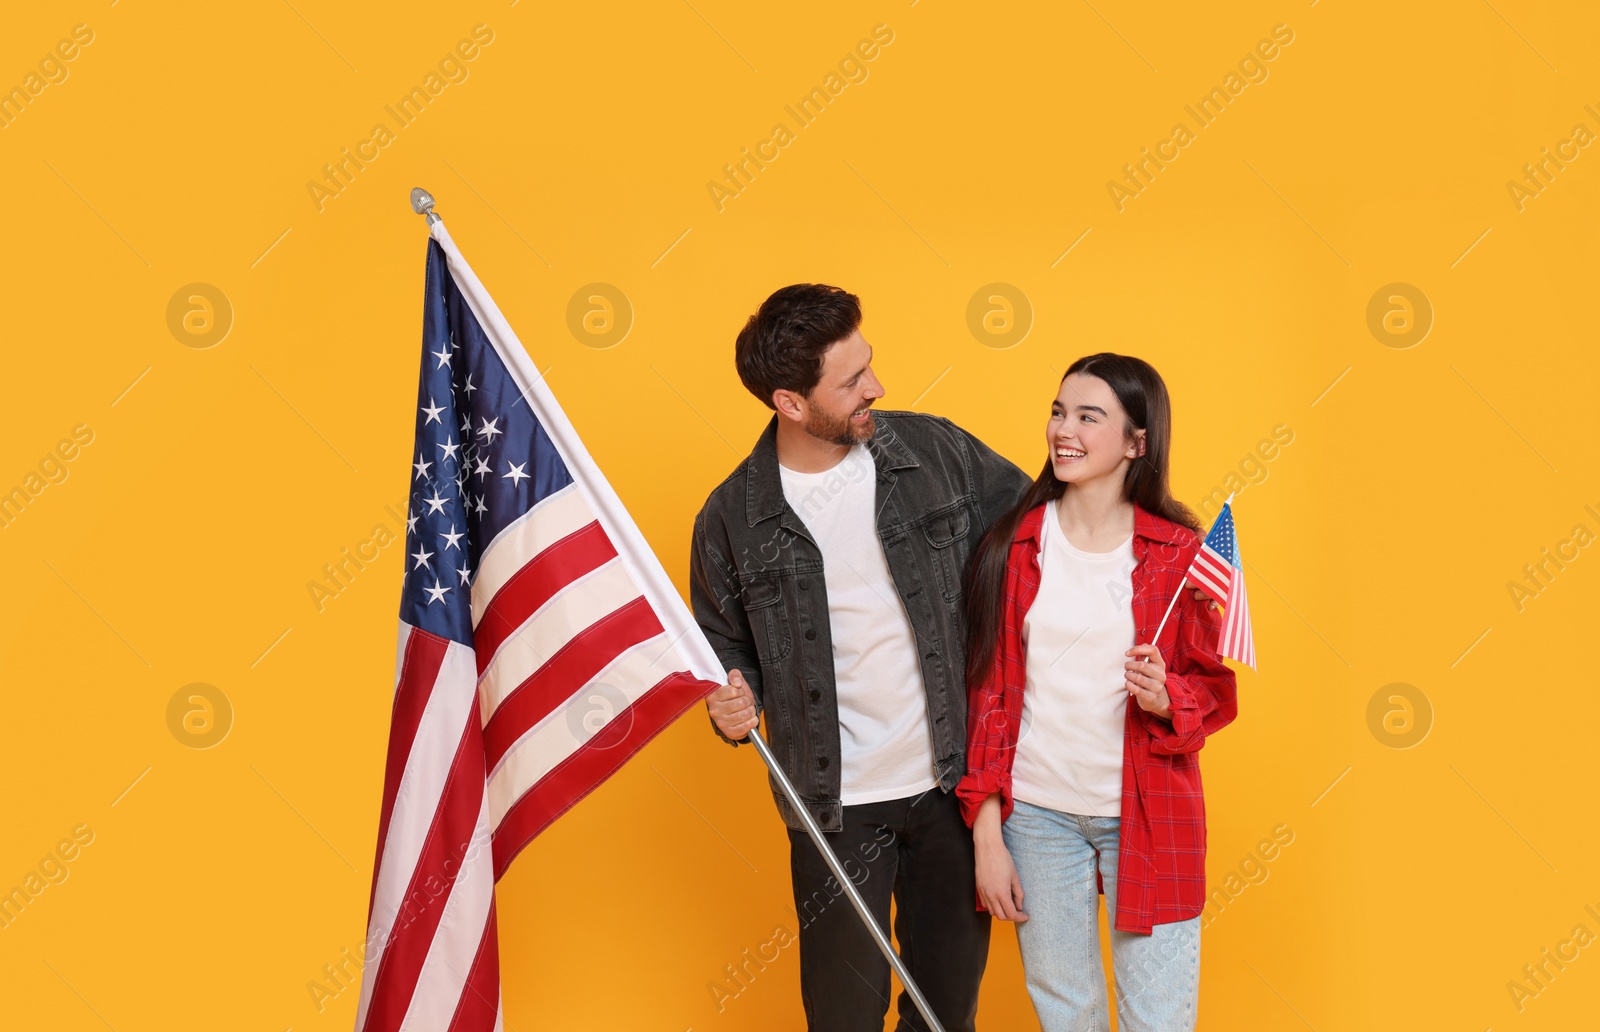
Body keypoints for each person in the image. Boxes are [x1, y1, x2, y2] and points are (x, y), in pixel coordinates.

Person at [689, 283, 1032, 1031]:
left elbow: (1039, 535)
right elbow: (720, 647)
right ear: (789, 402)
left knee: (946, 1014)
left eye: (867, 365)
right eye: (850, 382)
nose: (874, 387)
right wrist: (728, 698)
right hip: (833, 812)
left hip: (951, 791)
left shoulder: (935, 452)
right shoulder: (732, 518)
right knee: (844, 1016)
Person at [955, 353, 1238, 1032]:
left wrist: (1166, 700)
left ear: (1136, 443)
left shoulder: (1178, 556)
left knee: (1161, 1018)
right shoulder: (1012, 546)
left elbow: (1213, 692)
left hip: (1150, 814)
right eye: (1058, 411)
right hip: (1037, 819)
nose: (1064, 429)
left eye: (1089, 416)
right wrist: (988, 835)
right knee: (1066, 1012)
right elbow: (988, 696)